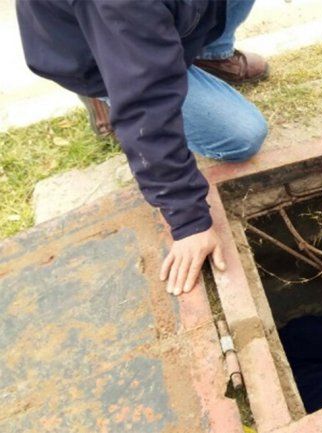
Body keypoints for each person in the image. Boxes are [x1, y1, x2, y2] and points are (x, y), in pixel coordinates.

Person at [16, 0, 269, 296]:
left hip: (146, 29)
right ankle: (106, 94)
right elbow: (146, 105)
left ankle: (208, 55)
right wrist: (189, 221)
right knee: (242, 134)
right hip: (104, 54)